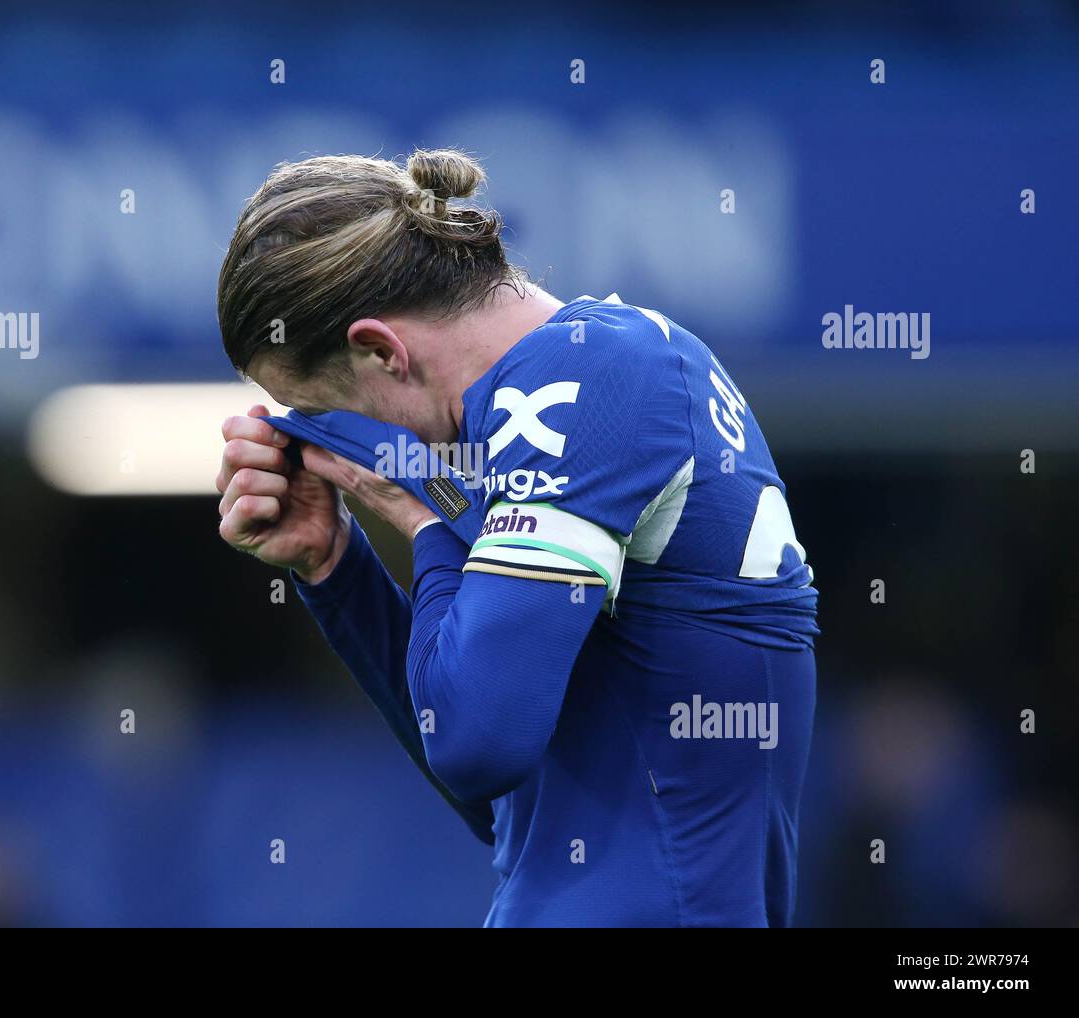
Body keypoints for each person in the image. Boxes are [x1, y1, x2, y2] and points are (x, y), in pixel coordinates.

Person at [215, 149, 818, 927]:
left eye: (322, 413)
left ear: (380, 351)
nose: (327, 446)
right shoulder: (564, 388)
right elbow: (507, 804)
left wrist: (426, 518)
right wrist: (334, 569)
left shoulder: (589, 378)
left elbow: (477, 742)